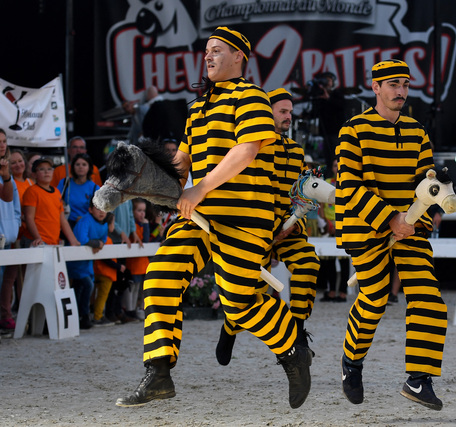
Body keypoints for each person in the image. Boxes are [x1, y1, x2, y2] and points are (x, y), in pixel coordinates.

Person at [116, 27, 312, 409]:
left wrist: (199, 189)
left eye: (217, 50)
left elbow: (247, 149)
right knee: (159, 276)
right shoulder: (197, 106)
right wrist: (151, 181)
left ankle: (293, 350)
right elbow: (183, 162)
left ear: (240, 56)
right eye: (206, 51)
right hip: (200, 216)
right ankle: (158, 372)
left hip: (244, 216)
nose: (207, 57)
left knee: (239, 304)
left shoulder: (252, 96)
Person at [336, 59, 447, 410]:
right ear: (376, 88)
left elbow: (426, 186)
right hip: (365, 226)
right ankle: (351, 364)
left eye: (405, 84)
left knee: (429, 298)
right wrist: (389, 219)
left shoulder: (417, 131)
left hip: (410, 228)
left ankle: (418, 380)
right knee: (374, 298)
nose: (401, 91)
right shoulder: (352, 130)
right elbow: (349, 187)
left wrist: (429, 212)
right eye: (393, 84)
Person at [215, 88, 320, 364]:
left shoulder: (297, 151)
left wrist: (292, 223)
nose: (288, 117)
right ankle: (230, 327)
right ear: (266, 112)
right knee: (248, 291)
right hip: (254, 229)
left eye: (290, 112)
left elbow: (301, 194)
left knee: (309, 263)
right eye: (282, 111)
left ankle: (297, 335)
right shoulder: (251, 147)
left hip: (289, 230)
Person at [67, 200, 108, 329]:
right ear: (90, 210)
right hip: (76, 263)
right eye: (98, 209)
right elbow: (82, 239)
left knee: (82, 288)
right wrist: (96, 244)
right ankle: (83, 316)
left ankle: (79, 317)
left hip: (87, 264)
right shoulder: (85, 221)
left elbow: (104, 240)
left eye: (104, 209)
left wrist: (97, 243)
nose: (101, 212)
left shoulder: (104, 224)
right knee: (86, 286)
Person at [22, 157, 80, 248]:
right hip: (36, 241)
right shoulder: (32, 191)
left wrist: (73, 240)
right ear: (34, 174)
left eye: (49, 169)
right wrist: (38, 238)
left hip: (53, 242)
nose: (46, 172)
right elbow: (29, 217)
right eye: (41, 169)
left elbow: (63, 220)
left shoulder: (56, 192)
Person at [317, 159, 350, 302]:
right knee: (328, 260)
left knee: (344, 259)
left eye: (340, 165)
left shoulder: (348, 183)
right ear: (332, 168)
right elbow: (321, 204)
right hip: (329, 225)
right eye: (335, 165)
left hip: (344, 224)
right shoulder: (327, 182)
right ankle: (330, 291)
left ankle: (342, 292)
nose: (338, 168)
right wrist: (325, 222)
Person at [0, 132, 21, 331]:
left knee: (6, 283)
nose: (2, 145)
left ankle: (5, 317)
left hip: (6, 238)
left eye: (4, 141)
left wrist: (6, 177)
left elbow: (9, 201)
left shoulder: (7, 174)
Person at [310, 71, 346, 174]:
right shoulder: (320, 94)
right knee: (327, 157)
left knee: (336, 155)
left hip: (337, 131)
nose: (327, 82)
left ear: (333, 82)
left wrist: (328, 98)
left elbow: (341, 106)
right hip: (326, 132)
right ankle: (330, 175)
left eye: (329, 80)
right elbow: (315, 112)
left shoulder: (337, 93)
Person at [92, 212, 123, 326]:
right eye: (113, 223)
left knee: (99, 295)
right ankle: (98, 317)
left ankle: (98, 315)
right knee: (102, 296)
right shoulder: (107, 239)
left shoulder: (103, 238)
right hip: (106, 272)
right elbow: (106, 259)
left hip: (101, 271)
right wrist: (118, 267)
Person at [57, 153, 101, 229]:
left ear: (89, 167)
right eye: (77, 164)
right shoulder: (64, 183)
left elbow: (99, 211)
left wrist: (83, 218)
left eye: (84, 164)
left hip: (86, 225)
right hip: (65, 223)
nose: (80, 167)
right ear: (73, 167)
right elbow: (55, 201)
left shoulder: (94, 188)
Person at [123, 198, 150, 320]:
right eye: (139, 210)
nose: (142, 213)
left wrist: (146, 224)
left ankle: (137, 309)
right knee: (131, 287)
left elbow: (147, 239)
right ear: (133, 211)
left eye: (143, 211)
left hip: (143, 264)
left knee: (139, 288)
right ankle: (130, 310)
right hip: (133, 264)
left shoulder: (143, 224)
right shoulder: (132, 226)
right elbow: (142, 240)